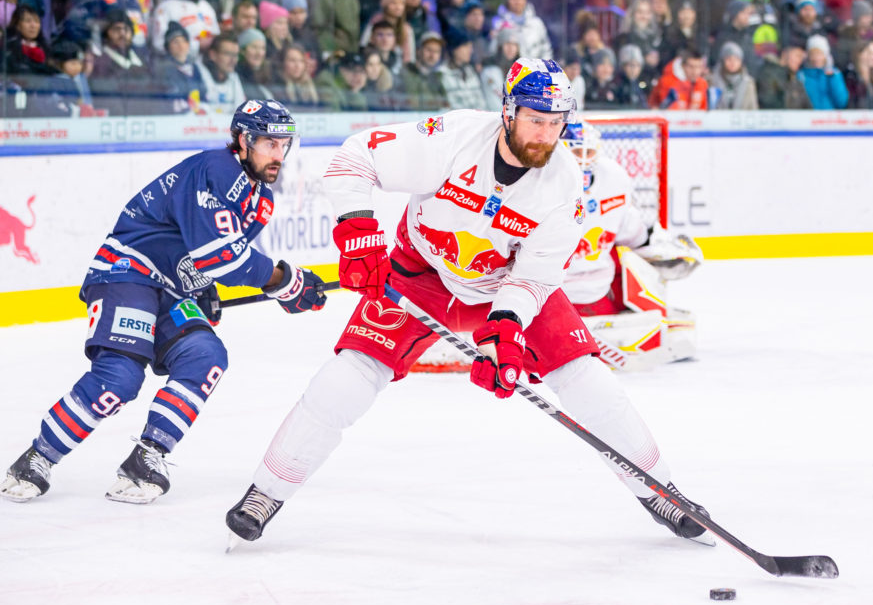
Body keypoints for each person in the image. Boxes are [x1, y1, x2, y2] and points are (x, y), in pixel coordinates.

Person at [223, 58, 713, 547]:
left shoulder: (566, 188)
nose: (546, 133)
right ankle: (266, 492)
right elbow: (356, 157)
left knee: (586, 377)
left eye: (556, 122)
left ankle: (660, 490)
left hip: (503, 288)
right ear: (507, 110)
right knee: (348, 376)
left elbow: (536, 276)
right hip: (418, 277)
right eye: (535, 119)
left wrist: (505, 328)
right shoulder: (451, 138)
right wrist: (358, 234)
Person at [0, 100, 328, 504]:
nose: (278, 155)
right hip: (128, 272)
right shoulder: (216, 169)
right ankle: (36, 458)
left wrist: (202, 287)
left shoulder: (261, 200)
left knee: (205, 357)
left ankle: (146, 459)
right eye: (268, 144)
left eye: (284, 145)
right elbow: (221, 256)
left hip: (171, 289)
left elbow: (206, 256)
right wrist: (286, 282)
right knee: (120, 376)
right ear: (242, 140)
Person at [560, 120, 702, 368]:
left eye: (588, 152)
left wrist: (661, 251)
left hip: (598, 291)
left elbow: (632, 232)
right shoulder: (539, 183)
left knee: (680, 332)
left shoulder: (613, 179)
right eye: (575, 152)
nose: (582, 160)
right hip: (553, 295)